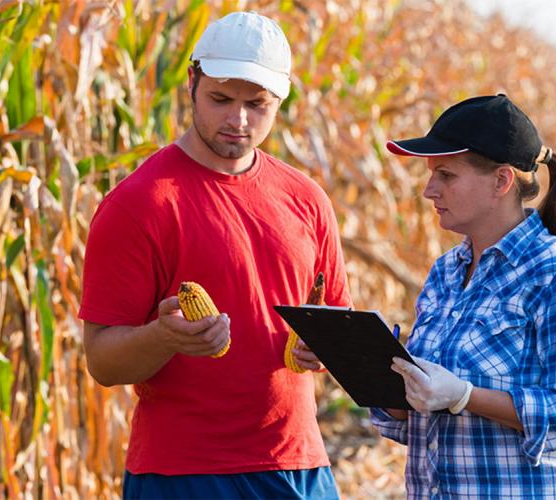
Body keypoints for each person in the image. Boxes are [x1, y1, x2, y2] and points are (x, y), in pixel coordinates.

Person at [79, 11, 351, 499]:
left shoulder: (307, 200)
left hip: (300, 465)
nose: (238, 120)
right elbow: (102, 362)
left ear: (281, 100)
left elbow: (337, 320)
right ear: (191, 82)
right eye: (221, 99)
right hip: (183, 473)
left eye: (257, 105)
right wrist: (164, 337)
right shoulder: (139, 204)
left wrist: (326, 349)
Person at [371, 94, 556, 498]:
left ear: (501, 182)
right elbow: (416, 419)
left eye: (446, 175)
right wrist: (375, 369)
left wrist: (465, 396)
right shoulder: (446, 272)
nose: (429, 190)